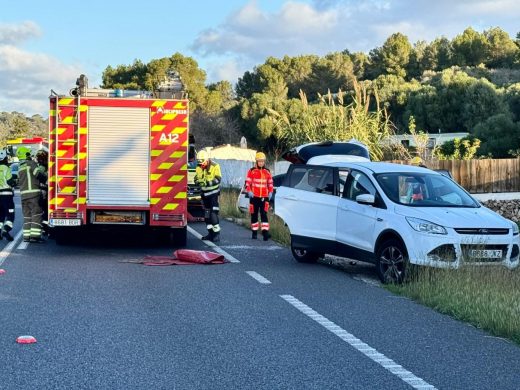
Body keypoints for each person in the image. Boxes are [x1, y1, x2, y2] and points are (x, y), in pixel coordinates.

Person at [17, 146, 44, 243]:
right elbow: (39, 175)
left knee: (27, 216)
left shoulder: (20, 167)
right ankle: (35, 237)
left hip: (23, 196)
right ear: (27, 155)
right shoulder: (31, 164)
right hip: (33, 194)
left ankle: (26, 237)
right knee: (36, 214)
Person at [245, 152, 273, 241]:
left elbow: (270, 183)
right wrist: (249, 191)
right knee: (254, 215)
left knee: (264, 214)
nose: (261, 163)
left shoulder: (267, 171)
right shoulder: (252, 171)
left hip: (264, 197)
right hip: (254, 197)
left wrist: (271, 192)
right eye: (259, 161)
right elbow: (247, 183)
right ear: (256, 161)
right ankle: (254, 232)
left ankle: (265, 233)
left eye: (262, 161)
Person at [195, 150, 222, 242]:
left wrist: (207, 183)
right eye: (199, 162)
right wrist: (198, 182)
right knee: (206, 215)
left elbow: (218, 179)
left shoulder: (215, 166)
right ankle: (210, 234)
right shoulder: (198, 167)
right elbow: (196, 178)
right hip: (204, 195)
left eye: (202, 162)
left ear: (207, 160)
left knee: (213, 213)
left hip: (213, 194)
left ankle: (216, 234)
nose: (201, 164)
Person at [0, 150, 16, 241]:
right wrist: (14, 182)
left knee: (0, 215)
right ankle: (6, 230)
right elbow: (10, 182)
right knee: (10, 215)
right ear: (5, 158)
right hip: (7, 195)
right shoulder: (6, 168)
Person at [35, 150, 49, 236]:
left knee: (43, 210)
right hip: (44, 191)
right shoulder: (43, 167)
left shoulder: (42, 167)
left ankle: (45, 228)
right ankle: (45, 228)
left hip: (43, 191)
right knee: (44, 210)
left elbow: (39, 177)